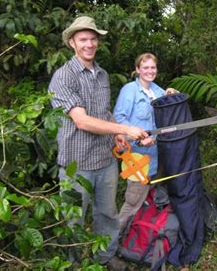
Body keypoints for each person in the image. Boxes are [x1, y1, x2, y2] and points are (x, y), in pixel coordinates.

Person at [48, 16, 148, 270]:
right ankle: (70, 264)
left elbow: (104, 113)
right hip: (76, 163)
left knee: (107, 214)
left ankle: (106, 256)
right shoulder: (63, 77)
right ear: (72, 42)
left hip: (105, 160)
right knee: (73, 219)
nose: (89, 44)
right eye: (83, 39)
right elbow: (81, 121)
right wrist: (125, 127)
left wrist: (119, 135)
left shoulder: (102, 74)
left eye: (93, 39)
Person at [113, 53, 175, 233]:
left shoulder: (157, 90)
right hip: (137, 158)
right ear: (137, 70)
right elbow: (120, 120)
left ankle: (137, 239)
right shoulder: (129, 90)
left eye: (153, 67)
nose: (150, 71)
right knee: (133, 203)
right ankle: (111, 244)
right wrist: (138, 137)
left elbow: (169, 107)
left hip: (156, 157)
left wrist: (171, 93)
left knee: (151, 198)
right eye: (145, 67)